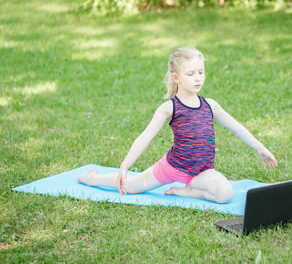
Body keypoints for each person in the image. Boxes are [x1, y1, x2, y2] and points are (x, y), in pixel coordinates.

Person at [77, 47, 277, 204]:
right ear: (176, 77)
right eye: (191, 74)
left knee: (225, 194)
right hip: (172, 167)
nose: (198, 77)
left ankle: (189, 192)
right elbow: (145, 137)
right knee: (131, 186)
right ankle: (92, 178)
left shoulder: (210, 105)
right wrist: (124, 165)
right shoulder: (169, 108)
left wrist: (260, 148)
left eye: (201, 72)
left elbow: (237, 126)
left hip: (202, 172)